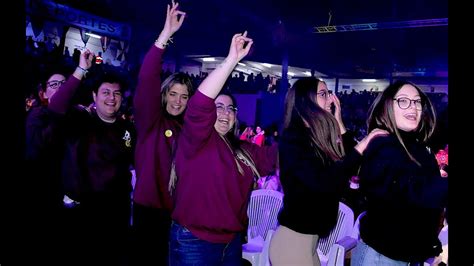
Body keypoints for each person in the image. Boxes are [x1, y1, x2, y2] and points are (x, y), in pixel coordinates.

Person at [169, 32, 277, 265]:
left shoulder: (244, 150)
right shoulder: (196, 139)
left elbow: (276, 157)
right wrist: (231, 60)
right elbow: (199, 103)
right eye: (218, 106)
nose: (225, 113)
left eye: (231, 109)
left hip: (232, 242)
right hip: (195, 242)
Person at [269, 77, 387, 265]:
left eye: (329, 93)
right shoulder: (294, 139)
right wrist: (363, 144)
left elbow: (351, 165)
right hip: (292, 242)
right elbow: (323, 181)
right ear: (305, 100)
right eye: (323, 94)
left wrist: (338, 121)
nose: (330, 99)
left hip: (308, 242)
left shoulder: (315, 137)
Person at [48, 50, 135, 265]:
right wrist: (81, 70)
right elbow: (56, 106)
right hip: (82, 217)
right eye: (105, 92)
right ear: (94, 96)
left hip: (115, 218)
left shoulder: (129, 129)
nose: (111, 98)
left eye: (116, 93)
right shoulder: (80, 120)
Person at [351, 80, 448, 265]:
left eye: (417, 101)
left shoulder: (417, 145)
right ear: (387, 106)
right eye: (403, 100)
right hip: (382, 258)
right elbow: (411, 191)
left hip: (408, 256)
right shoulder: (383, 146)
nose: (413, 106)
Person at [131, 1, 193, 265]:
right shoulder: (151, 121)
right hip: (149, 214)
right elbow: (147, 80)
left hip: (180, 216)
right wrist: (165, 36)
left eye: (184, 96)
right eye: (173, 94)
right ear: (165, 94)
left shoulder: (190, 129)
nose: (178, 101)